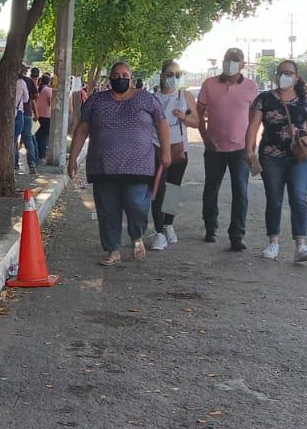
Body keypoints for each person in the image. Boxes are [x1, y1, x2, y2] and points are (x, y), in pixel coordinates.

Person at [67, 61, 172, 266]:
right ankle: (113, 249)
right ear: (109, 78)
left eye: (125, 74)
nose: (120, 78)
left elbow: (164, 123)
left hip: (147, 163)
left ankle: (151, 231)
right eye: (116, 74)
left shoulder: (152, 99)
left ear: (131, 78)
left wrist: (167, 152)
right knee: (107, 209)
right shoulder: (96, 101)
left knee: (138, 203)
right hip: (104, 166)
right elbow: (82, 129)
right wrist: (72, 158)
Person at [246, 59, 307, 263]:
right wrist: (249, 150)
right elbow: (253, 126)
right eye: (281, 72)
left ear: (296, 76)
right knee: (274, 198)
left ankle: (301, 245)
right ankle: (273, 242)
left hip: (300, 157)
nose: (284, 76)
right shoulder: (264, 99)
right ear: (276, 76)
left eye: (288, 73)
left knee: (298, 198)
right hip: (271, 156)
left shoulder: (305, 100)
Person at [197, 46, 262, 252]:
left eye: (235, 60)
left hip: (240, 150)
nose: (230, 63)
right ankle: (210, 226)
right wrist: (205, 138)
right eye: (227, 59)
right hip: (214, 149)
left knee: (240, 192)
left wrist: (251, 145)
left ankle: (237, 235)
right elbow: (198, 114)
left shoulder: (251, 87)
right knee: (211, 189)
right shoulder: (209, 85)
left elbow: (254, 119)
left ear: (243, 64)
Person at [148, 60, 198, 250]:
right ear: (162, 76)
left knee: (172, 190)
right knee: (157, 191)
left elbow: (196, 122)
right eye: (170, 74)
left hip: (178, 150)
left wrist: (184, 117)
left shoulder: (184, 95)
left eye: (177, 74)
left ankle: (168, 224)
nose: (174, 78)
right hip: (156, 149)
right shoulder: (153, 98)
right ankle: (159, 232)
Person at [12, 66, 40, 174]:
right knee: (28, 139)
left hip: (12, 114)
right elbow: (33, 97)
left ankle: (14, 164)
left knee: (14, 139)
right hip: (26, 113)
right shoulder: (27, 81)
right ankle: (32, 165)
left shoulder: (10, 80)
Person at [35, 74, 54, 162]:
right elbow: (50, 102)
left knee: (38, 136)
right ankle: (42, 155)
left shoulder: (38, 88)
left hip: (38, 115)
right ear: (49, 81)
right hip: (46, 116)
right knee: (44, 137)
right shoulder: (48, 90)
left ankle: (36, 154)